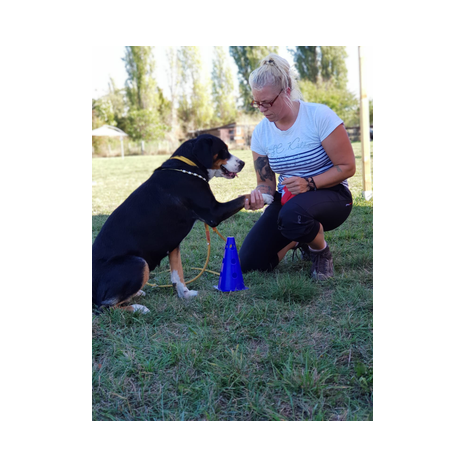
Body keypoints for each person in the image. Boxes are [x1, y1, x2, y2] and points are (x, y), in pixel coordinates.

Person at [240, 54, 356, 280]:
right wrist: (258, 196)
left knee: (293, 215)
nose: (261, 109)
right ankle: (298, 237)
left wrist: (309, 183)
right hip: (288, 201)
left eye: (267, 102)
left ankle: (320, 251)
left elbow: (347, 166)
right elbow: (265, 183)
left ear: (286, 91)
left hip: (333, 195)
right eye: (256, 103)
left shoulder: (319, 116)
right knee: (250, 264)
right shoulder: (261, 132)